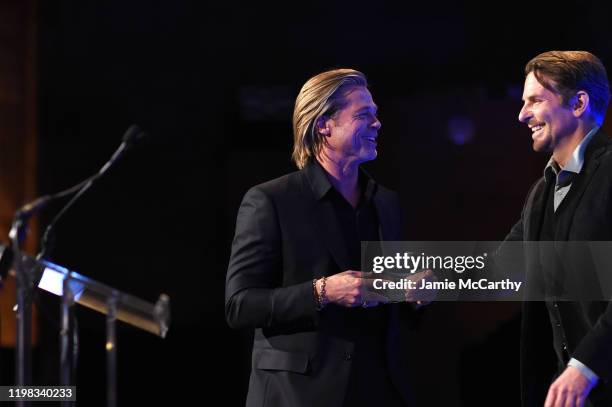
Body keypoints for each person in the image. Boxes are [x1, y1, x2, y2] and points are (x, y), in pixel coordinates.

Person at [225, 69, 421, 407]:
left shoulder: (386, 203)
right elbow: (239, 306)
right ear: (323, 125)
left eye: (376, 114)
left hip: (378, 390)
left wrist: (414, 295)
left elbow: (390, 309)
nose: (377, 124)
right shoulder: (271, 200)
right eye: (363, 115)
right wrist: (322, 291)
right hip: (298, 395)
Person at [506, 51, 612, 407]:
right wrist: (428, 277)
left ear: (579, 102)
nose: (522, 115)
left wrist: (586, 365)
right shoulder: (541, 191)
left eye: (535, 100)